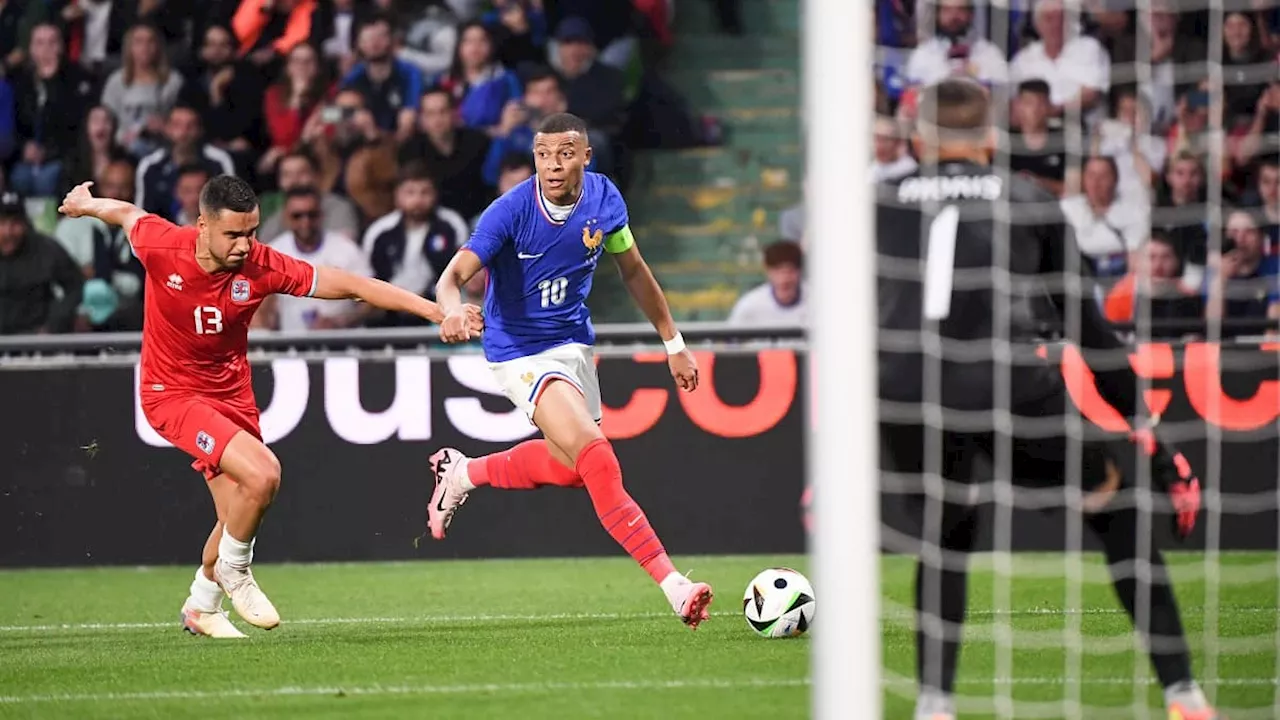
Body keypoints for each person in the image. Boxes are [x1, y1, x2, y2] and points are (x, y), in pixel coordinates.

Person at [876, 79, 1216, 720]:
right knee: (1115, 505)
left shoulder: (874, 200)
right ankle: (1183, 694)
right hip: (1008, 386)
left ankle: (933, 705)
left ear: (918, 141)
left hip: (904, 394)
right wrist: (1152, 435)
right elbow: (1089, 334)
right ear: (990, 140)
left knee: (947, 532)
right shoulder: (1027, 197)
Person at [56, 175, 482, 639]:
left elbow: (352, 285)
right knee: (264, 474)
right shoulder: (164, 246)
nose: (245, 245)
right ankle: (236, 573)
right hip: (172, 394)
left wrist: (439, 312)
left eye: (252, 232)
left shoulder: (262, 264)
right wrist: (89, 203)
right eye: (233, 235)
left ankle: (201, 603)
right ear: (202, 226)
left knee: (236, 512)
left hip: (232, 395)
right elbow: (129, 215)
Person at [426, 112, 715, 629]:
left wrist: (674, 343)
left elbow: (633, 268)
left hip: (573, 346)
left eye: (564, 153)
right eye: (542, 154)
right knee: (596, 456)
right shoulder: (510, 212)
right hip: (519, 350)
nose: (552, 165)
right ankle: (674, 584)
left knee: (570, 468)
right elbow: (453, 277)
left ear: (586, 156)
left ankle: (465, 473)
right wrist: (451, 308)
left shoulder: (604, 201)